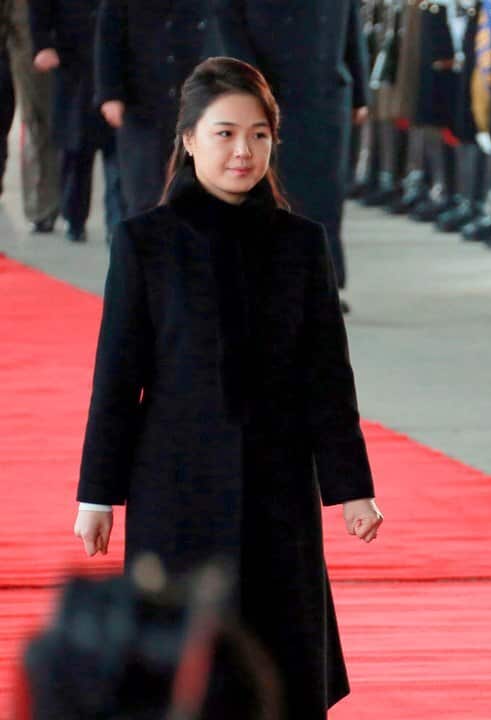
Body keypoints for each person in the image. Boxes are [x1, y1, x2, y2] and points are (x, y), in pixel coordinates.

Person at [71, 57, 384, 718]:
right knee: (182, 668)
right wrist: (97, 494)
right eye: (224, 133)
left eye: (260, 134)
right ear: (187, 139)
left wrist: (351, 487)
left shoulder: (301, 243)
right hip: (174, 486)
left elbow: (327, 376)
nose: (244, 151)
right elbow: (117, 377)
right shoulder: (145, 243)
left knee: (283, 661)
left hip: (279, 486)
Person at [212, 0, 370, 306]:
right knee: (271, 193)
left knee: (325, 196)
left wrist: (359, 91)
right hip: (271, 91)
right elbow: (228, 20)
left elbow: (351, 25)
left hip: (328, 91)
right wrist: (250, 87)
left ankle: (323, 284)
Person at [95, 0, 215, 217]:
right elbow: (108, 38)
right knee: (143, 191)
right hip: (140, 103)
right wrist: (110, 94)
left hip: (192, 102)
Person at [29, 0, 124, 243]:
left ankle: (117, 223)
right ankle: (74, 217)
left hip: (118, 59)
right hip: (73, 61)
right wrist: (42, 45)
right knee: (76, 149)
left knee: (117, 151)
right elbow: (39, 11)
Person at [1, 0, 59, 232]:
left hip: (30, 39)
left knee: (38, 121)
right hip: (21, 38)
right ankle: (42, 205)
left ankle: (42, 205)